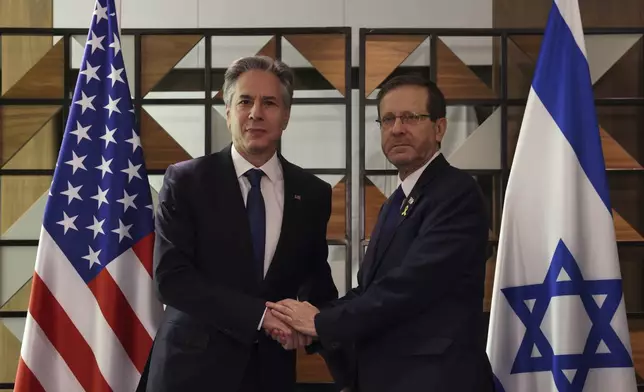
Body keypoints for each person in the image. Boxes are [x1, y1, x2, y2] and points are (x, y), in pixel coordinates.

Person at [268, 74, 496, 392]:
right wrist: (311, 318)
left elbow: (411, 286)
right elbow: (369, 290)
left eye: (411, 118)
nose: (397, 128)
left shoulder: (457, 193)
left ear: (440, 127)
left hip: (435, 379)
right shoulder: (396, 203)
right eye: (387, 119)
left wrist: (320, 323)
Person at [145, 55, 341, 392]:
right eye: (245, 101)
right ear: (228, 110)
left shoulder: (313, 193)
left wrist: (318, 327)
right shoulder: (186, 181)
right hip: (189, 373)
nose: (256, 113)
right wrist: (261, 317)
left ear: (286, 115)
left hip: (269, 373)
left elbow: (314, 282)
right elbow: (172, 279)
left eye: (269, 103)